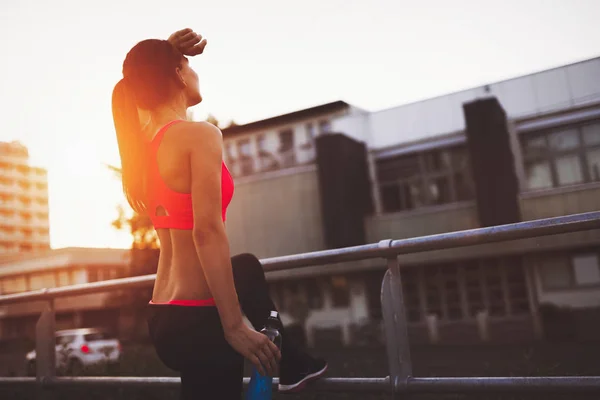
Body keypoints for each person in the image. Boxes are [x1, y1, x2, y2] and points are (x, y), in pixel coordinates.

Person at [111, 28, 327, 399]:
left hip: (165, 314)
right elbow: (206, 231)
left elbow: (133, 91)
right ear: (178, 73)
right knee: (243, 266)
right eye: (188, 66)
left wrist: (164, 54)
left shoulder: (144, 145)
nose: (195, 73)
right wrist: (233, 326)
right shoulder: (199, 135)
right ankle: (290, 360)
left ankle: (291, 360)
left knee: (244, 266)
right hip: (201, 317)